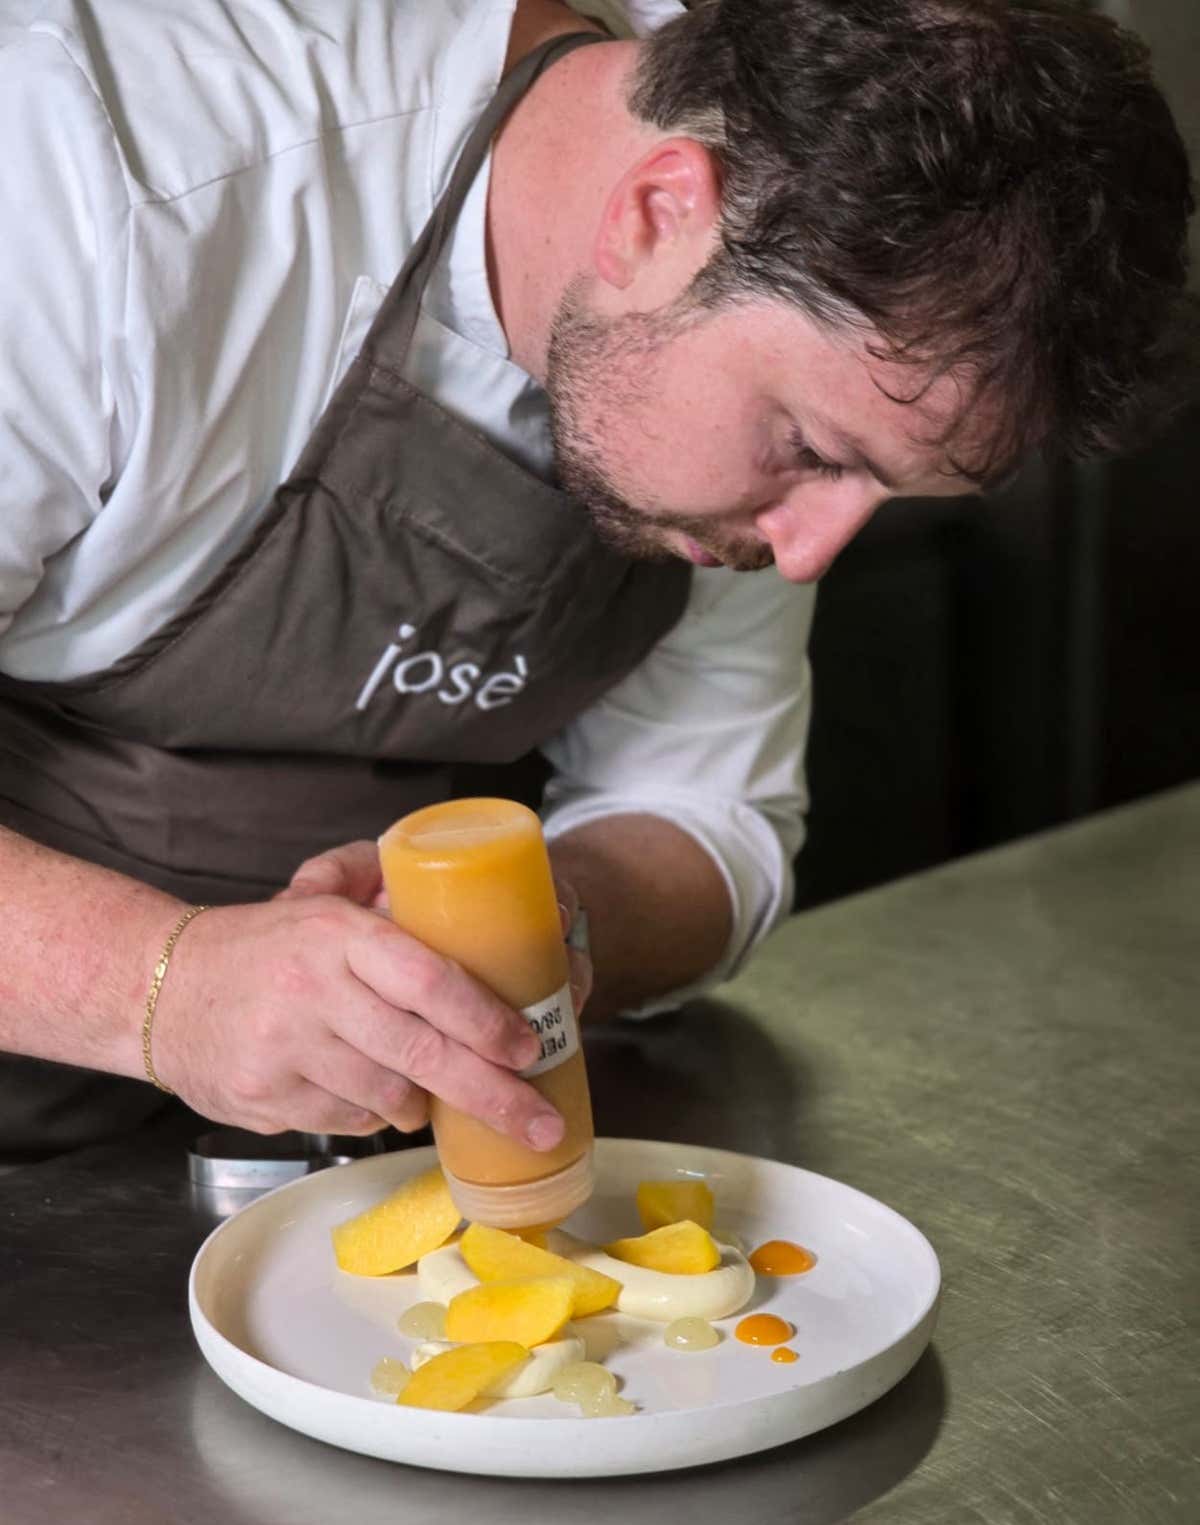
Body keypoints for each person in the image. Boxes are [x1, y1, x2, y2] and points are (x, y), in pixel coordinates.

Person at [0, 0, 1193, 1162]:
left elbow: (707, 811)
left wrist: (548, 924)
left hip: (368, 1174)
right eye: (814, 453)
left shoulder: (770, 292)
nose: (807, 552)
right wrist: (164, 988)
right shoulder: (90, 173)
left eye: (876, 489)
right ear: (659, 211)